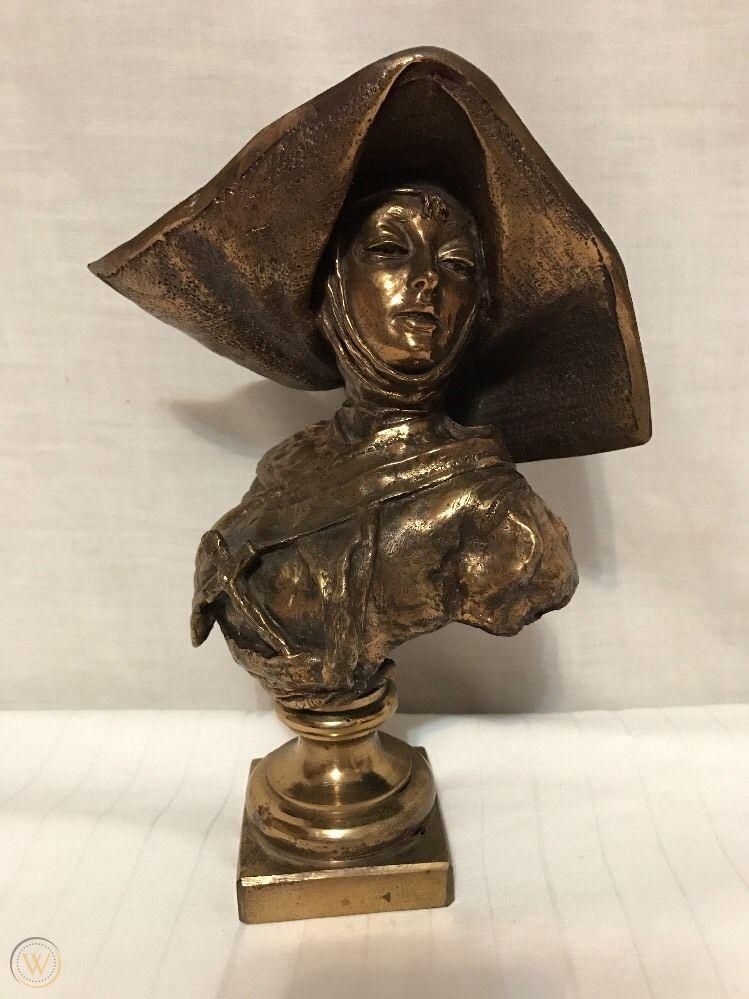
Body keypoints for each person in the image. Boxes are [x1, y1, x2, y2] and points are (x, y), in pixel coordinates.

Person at [190, 185, 577, 707]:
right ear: (331, 290)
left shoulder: (501, 516)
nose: (427, 278)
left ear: (474, 312)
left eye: (457, 265)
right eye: (389, 250)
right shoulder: (287, 464)